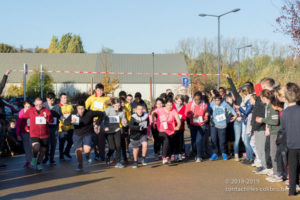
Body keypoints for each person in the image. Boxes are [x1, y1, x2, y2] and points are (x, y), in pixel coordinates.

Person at [64, 100, 104, 171]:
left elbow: (101, 114)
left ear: (85, 108)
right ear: (76, 108)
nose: (81, 110)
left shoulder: (89, 113)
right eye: (79, 108)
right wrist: (70, 122)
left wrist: (97, 123)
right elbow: (65, 122)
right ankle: (80, 164)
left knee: (87, 149)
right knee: (78, 151)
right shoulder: (74, 113)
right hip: (77, 134)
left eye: (82, 108)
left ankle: (87, 155)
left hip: (87, 133)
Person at [280, 83, 300, 196]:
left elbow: (283, 129)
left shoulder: (285, 112)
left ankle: (291, 191)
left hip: (291, 144)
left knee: (292, 168)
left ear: (286, 98)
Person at [251, 78, 275, 175]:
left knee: (263, 149)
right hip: (257, 127)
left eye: (262, 86)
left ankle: (267, 166)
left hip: (262, 127)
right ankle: (264, 165)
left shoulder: (267, 98)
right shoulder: (259, 98)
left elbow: (265, 114)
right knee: (259, 148)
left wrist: (260, 124)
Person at [23, 97, 53, 171]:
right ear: (34, 104)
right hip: (34, 133)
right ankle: (34, 157)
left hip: (44, 134)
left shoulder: (46, 110)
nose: (38, 106)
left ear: (42, 104)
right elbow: (24, 119)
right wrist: (26, 127)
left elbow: (51, 120)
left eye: (40, 104)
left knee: (43, 151)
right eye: (37, 105)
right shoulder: (30, 110)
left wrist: (47, 117)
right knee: (36, 147)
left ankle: (38, 164)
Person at [85, 83, 110, 161]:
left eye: (101, 90)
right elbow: (85, 107)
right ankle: (96, 154)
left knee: (102, 139)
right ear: (96, 90)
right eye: (98, 90)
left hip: (103, 120)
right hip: (94, 121)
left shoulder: (107, 98)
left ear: (103, 91)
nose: (100, 92)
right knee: (95, 139)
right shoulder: (91, 98)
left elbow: (111, 108)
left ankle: (102, 154)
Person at [152, 98, 181, 164]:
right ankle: (164, 156)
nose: (169, 107)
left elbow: (178, 120)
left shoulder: (173, 111)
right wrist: (154, 121)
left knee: (169, 143)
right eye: (168, 105)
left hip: (171, 130)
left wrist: (178, 126)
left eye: (171, 105)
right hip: (161, 130)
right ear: (165, 105)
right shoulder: (160, 110)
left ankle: (167, 157)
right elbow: (153, 113)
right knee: (166, 139)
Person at [209, 94, 237, 161]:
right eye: (216, 100)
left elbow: (231, 109)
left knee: (222, 141)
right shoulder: (212, 103)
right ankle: (215, 153)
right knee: (213, 139)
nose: (217, 102)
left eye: (218, 100)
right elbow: (208, 110)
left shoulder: (224, 104)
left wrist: (235, 116)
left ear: (221, 100)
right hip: (214, 124)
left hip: (222, 125)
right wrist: (209, 114)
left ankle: (223, 153)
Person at [103, 98, 127, 168]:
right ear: (112, 104)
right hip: (109, 131)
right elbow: (101, 120)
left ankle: (118, 162)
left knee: (118, 146)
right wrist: (104, 127)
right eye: (116, 105)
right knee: (112, 147)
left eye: (119, 105)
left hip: (117, 130)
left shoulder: (121, 111)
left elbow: (123, 121)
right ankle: (108, 155)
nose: (118, 107)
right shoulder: (108, 110)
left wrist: (125, 122)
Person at [185, 92, 209, 162]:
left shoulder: (204, 105)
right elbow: (186, 113)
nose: (197, 101)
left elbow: (206, 114)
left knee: (199, 140)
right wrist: (192, 116)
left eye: (198, 100)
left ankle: (199, 156)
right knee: (194, 141)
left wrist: (206, 118)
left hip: (201, 125)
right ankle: (195, 153)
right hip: (193, 124)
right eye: (195, 99)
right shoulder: (190, 104)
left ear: (201, 99)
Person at [43, 92, 61, 165]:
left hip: (54, 128)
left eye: (53, 100)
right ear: (47, 99)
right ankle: (46, 157)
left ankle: (51, 158)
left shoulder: (57, 106)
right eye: (49, 100)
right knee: (46, 143)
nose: (51, 102)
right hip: (45, 127)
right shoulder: (43, 105)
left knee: (53, 143)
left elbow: (60, 115)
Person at [129, 103, 149, 168]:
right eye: (138, 109)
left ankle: (143, 158)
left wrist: (144, 126)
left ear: (143, 110)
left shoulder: (146, 116)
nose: (140, 110)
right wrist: (138, 127)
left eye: (141, 109)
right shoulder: (133, 117)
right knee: (136, 149)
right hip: (134, 135)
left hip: (143, 134)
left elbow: (147, 123)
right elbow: (131, 126)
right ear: (135, 110)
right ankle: (135, 162)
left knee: (145, 144)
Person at [16, 100, 32, 168]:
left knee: (33, 146)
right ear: (23, 106)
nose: (27, 108)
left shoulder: (33, 111)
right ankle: (28, 161)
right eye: (26, 106)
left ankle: (34, 159)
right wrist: (18, 135)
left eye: (29, 106)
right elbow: (18, 125)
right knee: (27, 147)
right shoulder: (21, 112)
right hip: (24, 132)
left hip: (32, 132)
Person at [0, 70, 11, 168]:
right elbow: (1, 86)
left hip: (2, 122)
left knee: (1, 141)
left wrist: (5, 75)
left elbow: (2, 86)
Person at [58, 93, 74, 160]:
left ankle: (66, 152)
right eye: (64, 98)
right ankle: (61, 155)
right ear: (61, 98)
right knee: (62, 142)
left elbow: (73, 114)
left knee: (71, 142)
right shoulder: (58, 106)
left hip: (70, 127)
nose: (65, 99)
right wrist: (61, 125)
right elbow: (58, 116)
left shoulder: (70, 106)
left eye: (66, 97)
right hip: (62, 127)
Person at [172, 95, 186, 161]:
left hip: (181, 127)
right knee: (174, 141)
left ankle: (180, 153)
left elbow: (184, 116)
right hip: (173, 126)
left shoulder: (184, 107)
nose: (180, 102)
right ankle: (174, 154)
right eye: (178, 101)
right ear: (175, 100)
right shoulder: (172, 106)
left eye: (181, 101)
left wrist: (181, 119)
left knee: (180, 141)